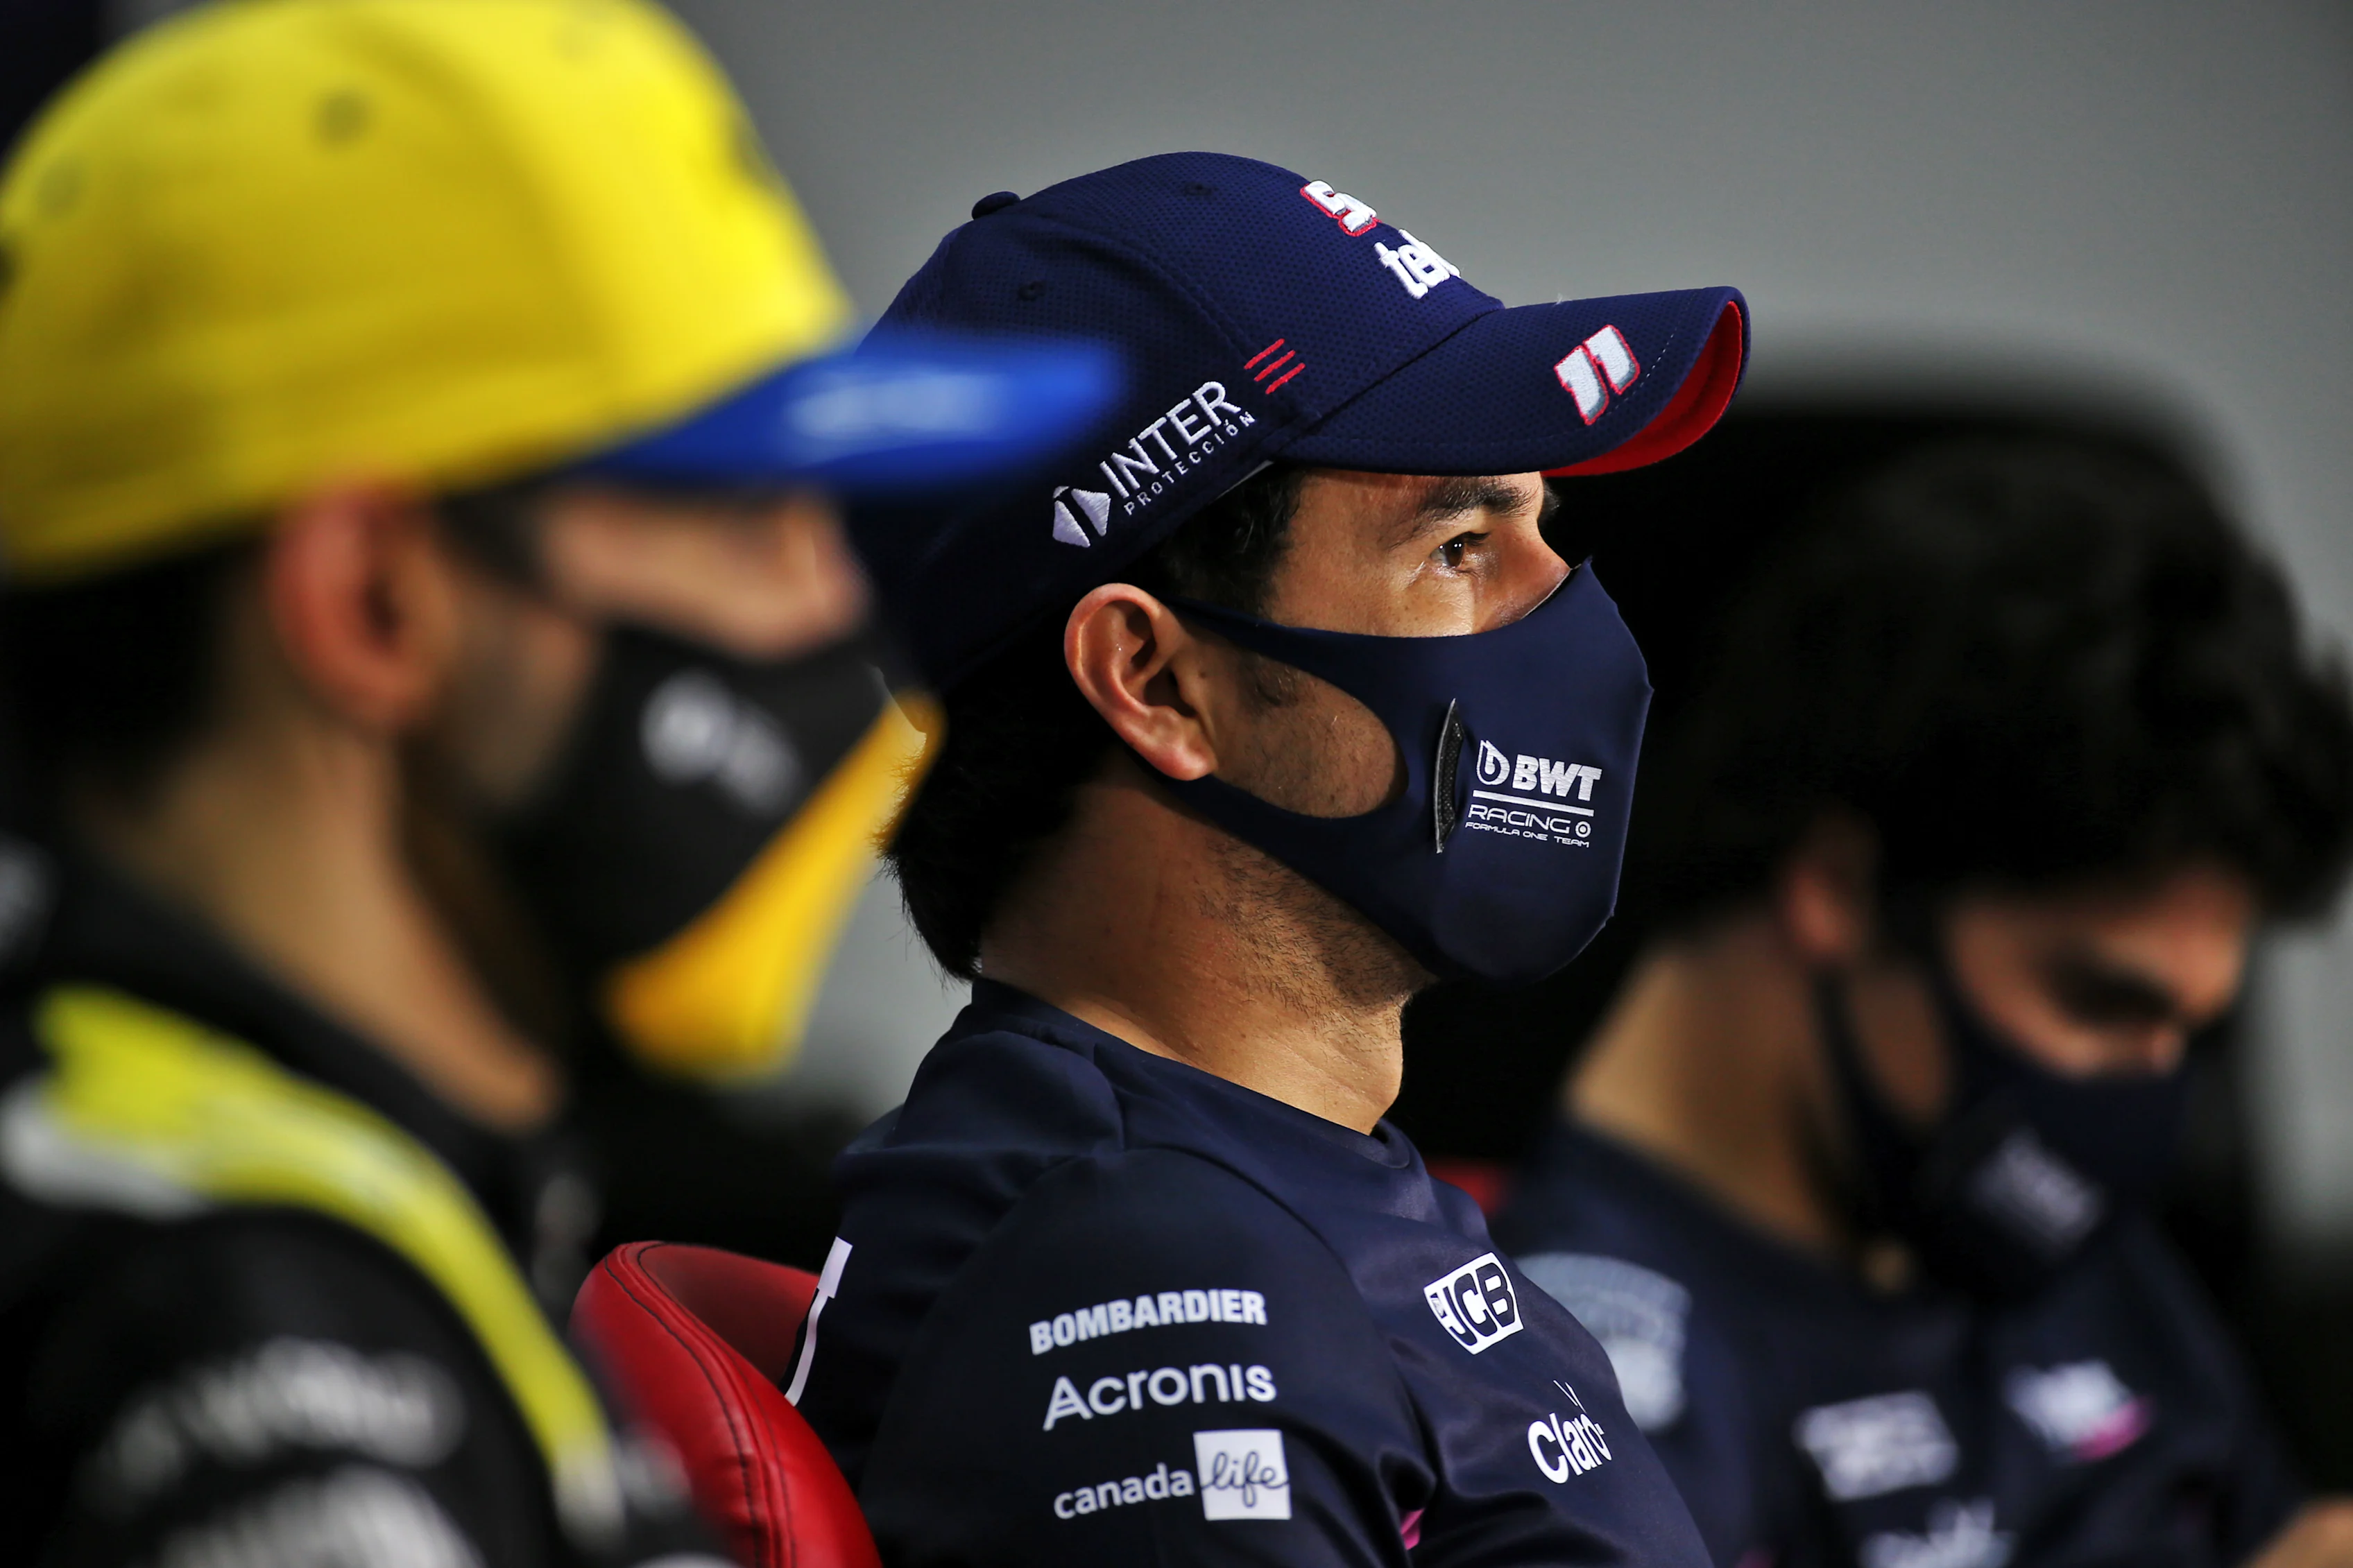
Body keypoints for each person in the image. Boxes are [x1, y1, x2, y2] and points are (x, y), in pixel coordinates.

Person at [0, 1, 1113, 1562]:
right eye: (745, 519)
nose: (837, 619)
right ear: (374, 601)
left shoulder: (350, 1204)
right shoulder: (236, 1331)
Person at [787, 150, 1750, 1565]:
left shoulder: (1292, 1193)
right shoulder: (1143, 1258)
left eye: (1549, 527)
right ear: (1157, 681)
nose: (1566, 608)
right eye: (1459, 543)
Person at [1491, 436, 2353, 1568]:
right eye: (2097, 1003)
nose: (2150, 1086)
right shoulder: (1567, 1377)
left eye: (2192, 1031)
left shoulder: (2056, 1235)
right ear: (1842, 886)